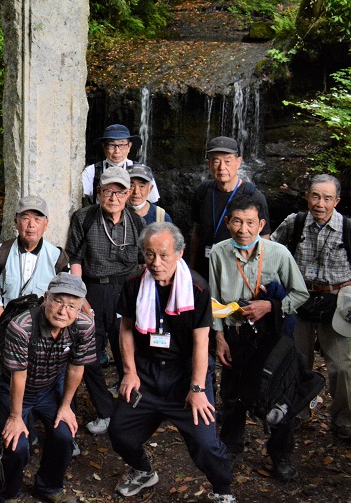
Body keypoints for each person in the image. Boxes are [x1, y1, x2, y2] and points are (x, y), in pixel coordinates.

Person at [109, 222, 235, 502]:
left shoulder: (197, 288)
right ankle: (143, 470)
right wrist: (129, 372)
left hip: (185, 372)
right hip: (146, 371)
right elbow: (125, 329)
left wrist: (198, 388)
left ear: (179, 253)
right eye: (149, 254)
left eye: (164, 255)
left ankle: (222, 489)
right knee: (119, 431)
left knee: (205, 442)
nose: (156, 263)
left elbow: (201, 342)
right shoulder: (134, 283)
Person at [209, 194, 308, 481]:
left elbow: (300, 293)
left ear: (261, 224)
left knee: (278, 395)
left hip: (271, 337)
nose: (243, 229)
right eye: (237, 221)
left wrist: (271, 306)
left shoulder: (278, 253)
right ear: (228, 223)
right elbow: (213, 300)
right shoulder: (218, 253)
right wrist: (219, 338)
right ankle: (231, 447)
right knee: (232, 393)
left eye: (250, 222)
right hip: (235, 333)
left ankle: (280, 454)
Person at [0, 274, 95, 503]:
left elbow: (76, 368)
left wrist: (66, 406)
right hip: (11, 387)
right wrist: (15, 416)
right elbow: (19, 375)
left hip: (49, 387)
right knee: (16, 444)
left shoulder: (84, 326)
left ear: (80, 308)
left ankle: (48, 487)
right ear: (46, 298)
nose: (63, 311)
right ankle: (8, 494)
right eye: (58, 301)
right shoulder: (23, 327)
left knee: (64, 436)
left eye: (72, 306)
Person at [65, 166, 145, 436]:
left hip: (127, 291)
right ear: (99, 192)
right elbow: (75, 259)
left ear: (128, 194)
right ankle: (105, 410)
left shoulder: (136, 223)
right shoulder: (84, 218)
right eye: (108, 191)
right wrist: (80, 298)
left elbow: (144, 263)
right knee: (88, 354)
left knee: (128, 353)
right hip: (93, 291)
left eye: (120, 192)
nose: (114, 197)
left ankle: (129, 411)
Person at [271, 174, 351, 436]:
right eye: (315, 196)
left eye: (327, 198)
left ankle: (344, 420)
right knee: (296, 361)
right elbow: (270, 252)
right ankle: (297, 412)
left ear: (336, 201)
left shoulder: (348, 229)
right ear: (306, 197)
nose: (320, 203)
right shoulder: (294, 223)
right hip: (299, 298)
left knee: (342, 366)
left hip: (338, 301)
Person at [188, 136, 270, 276]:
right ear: (209, 164)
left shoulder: (253, 196)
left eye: (227, 161)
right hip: (205, 268)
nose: (222, 167)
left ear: (238, 162)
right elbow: (197, 233)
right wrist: (192, 268)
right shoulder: (203, 192)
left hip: (237, 270)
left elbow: (264, 237)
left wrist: (257, 274)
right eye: (216, 161)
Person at [0, 195, 67, 323]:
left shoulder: (57, 256)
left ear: (46, 224)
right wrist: (8, 325)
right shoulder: (1, 252)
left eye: (37, 219)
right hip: (4, 326)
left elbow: (65, 297)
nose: (31, 225)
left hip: (42, 328)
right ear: (16, 222)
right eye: (25, 218)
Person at [80, 124, 159, 206]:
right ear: (104, 146)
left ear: (129, 146)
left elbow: (151, 203)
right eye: (111, 145)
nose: (117, 151)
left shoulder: (142, 171)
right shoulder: (92, 171)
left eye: (122, 145)